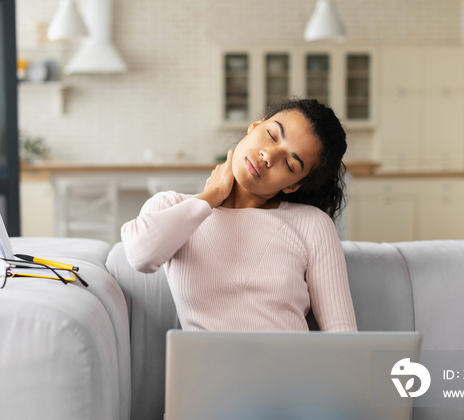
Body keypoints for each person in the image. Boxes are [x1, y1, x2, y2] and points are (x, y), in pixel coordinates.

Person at [121, 98, 357, 332]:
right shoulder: (172, 206)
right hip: (210, 368)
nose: (268, 156)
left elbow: (342, 334)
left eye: (289, 164)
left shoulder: (312, 225)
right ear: (254, 126)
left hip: (293, 368)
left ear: (292, 186)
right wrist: (213, 195)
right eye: (272, 135)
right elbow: (141, 255)